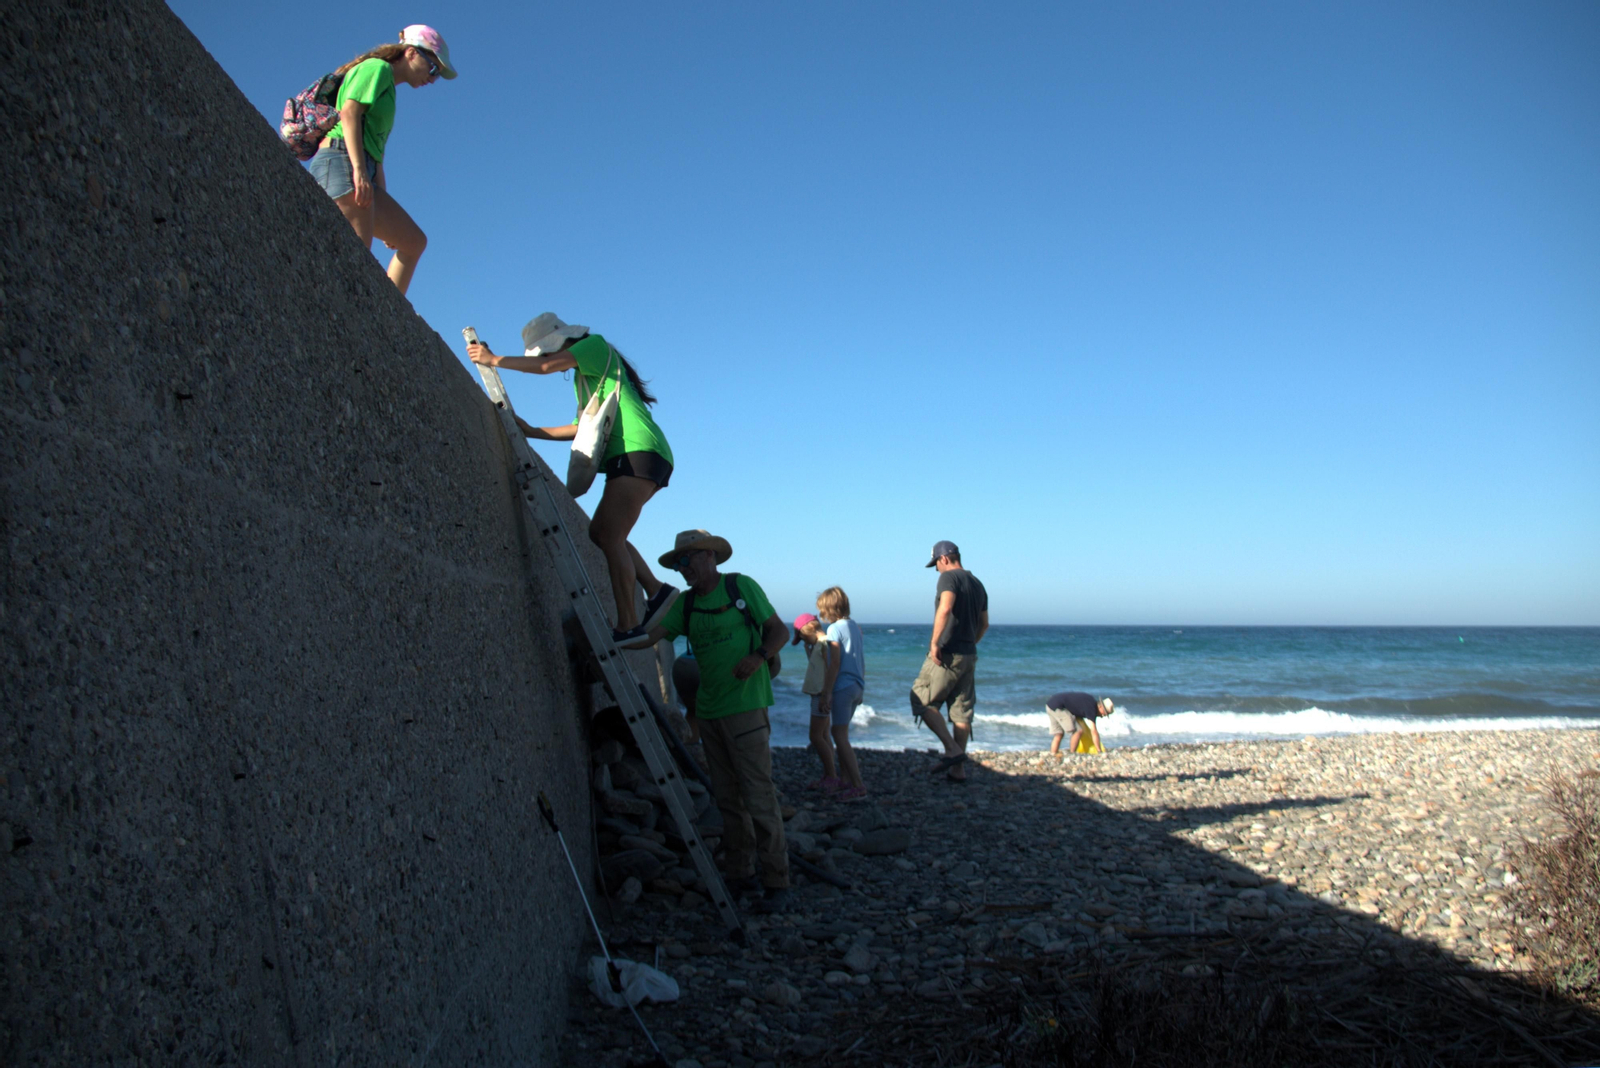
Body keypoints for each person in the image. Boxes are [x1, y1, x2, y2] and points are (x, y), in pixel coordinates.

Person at [468, 314, 679, 642]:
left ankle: (629, 625)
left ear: (561, 343)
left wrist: (493, 360)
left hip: (639, 450)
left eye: (546, 353)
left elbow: (544, 368)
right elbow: (581, 428)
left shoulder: (594, 347)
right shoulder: (587, 379)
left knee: (610, 537)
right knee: (602, 533)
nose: (548, 361)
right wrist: (531, 431)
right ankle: (657, 591)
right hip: (639, 457)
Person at [624, 530, 792, 911]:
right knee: (729, 801)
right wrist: (614, 640)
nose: (683, 570)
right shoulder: (685, 605)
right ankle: (740, 876)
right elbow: (652, 636)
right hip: (710, 713)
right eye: (678, 564)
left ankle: (778, 882)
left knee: (759, 797)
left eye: (687, 560)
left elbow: (780, 631)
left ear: (709, 557)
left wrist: (759, 656)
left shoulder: (740, 587)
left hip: (747, 709)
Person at [307, 26, 456, 296]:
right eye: (433, 68)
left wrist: (380, 196)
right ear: (411, 53)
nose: (433, 79)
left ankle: (387, 317)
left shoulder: (389, 88)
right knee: (355, 260)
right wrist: (359, 171)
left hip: (362, 165)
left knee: (414, 242)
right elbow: (349, 113)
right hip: (341, 161)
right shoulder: (378, 68)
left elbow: (376, 152)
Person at [909, 540, 988, 783]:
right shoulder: (977, 583)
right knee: (961, 711)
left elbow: (945, 608)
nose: (936, 570)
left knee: (920, 698)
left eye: (936, 564)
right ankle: (958, 769)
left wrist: (935, 643)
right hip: (968, 654)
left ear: (944, 559)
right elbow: (984, 623)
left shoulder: (949, 578)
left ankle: (952, 750)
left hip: (948, 652)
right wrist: (971, 643)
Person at [816, 586, 867, 801]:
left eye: (822, 610)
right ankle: (846, 781)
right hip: (857, 685)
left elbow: (834, 662)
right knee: (842, 734)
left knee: (839, 736)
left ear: (829, 609)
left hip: (843, 687)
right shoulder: (855, 627)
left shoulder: (834, 629)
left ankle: (858, 785)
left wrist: (826, 692)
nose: (822, 615)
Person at [792, 613, 841, 792]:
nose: (804, 640)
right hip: (820, 693)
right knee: (824, 734)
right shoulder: (819, 645)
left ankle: (832, 775)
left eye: (803, 636)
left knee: (815, 736)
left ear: (809, 629)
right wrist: (809, 652)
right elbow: (819, 668)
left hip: (821, 694)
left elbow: (831, 669)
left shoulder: (825, 643)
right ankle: (831, 774)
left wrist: (826, 695)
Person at [1045, 692, 1115, 756]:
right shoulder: (1092, 709)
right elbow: (1094, 731)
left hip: (1050, 705)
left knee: (1059, 734)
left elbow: (1076, 708)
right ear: (1100, 707)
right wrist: (1099, 750)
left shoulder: (1090, 701)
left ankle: (1053, 754)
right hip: (1059, 707)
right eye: (1105, 713)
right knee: (1078, 731)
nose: (1103, 716)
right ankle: (1072, 754)